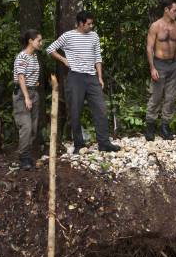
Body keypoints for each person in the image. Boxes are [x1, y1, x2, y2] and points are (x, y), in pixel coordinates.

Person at [46, 10, 120, 154]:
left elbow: (98, 57)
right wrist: (64, 60)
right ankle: (79, 145)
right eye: (89, 24)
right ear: (80, 23)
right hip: (75, 77)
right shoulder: (68, 36)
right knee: (75, 111)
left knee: (100, 109)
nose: (91, 26)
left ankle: (104, 143)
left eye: (92, 23)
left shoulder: (94, 36)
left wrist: (100, 77)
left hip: (92, 77)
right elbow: (50, 49)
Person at [145, 0, 176, 141]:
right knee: (156, 97)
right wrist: (152, 68)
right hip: (159, 64)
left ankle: (164, 127)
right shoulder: (155, 26)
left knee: (170, 97)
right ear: (166, 10)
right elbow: (149, 48)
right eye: (175, 10)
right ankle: (150, 126)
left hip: (174, 65)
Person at [13, 29, 43, 170]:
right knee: (26, 126)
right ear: (31, 41)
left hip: (33, 93)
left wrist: (34, 84)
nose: (41, 43)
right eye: (39, 40)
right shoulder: (22, 57)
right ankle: (23, 157)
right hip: (22, 94)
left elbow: (31, 74)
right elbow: (21, 77)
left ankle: (27, 155)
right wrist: (26, 97)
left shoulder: (34, 56)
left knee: (33, 128)